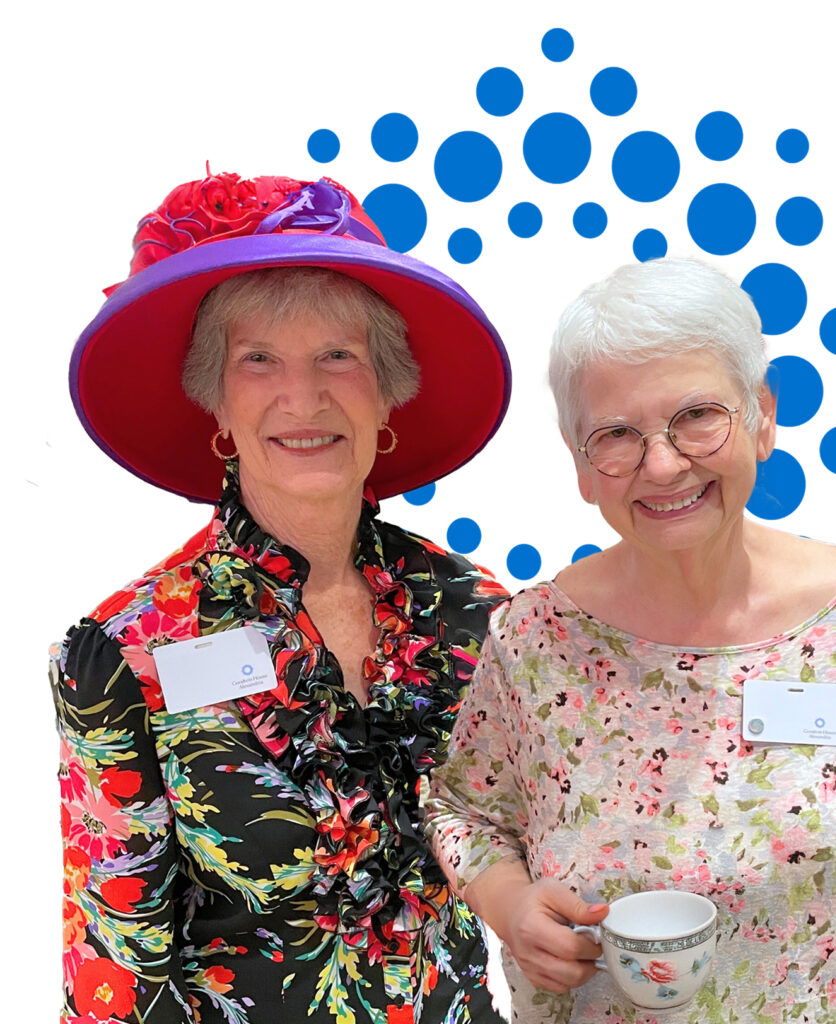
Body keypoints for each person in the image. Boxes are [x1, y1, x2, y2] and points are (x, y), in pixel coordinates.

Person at [426, 258, 836, 1023]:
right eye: (616, 434)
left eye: (697, 416)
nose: (663, 464)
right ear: (580, 465)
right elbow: (462, 809)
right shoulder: (533, 640)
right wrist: (508, 905)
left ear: (762, 416)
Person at [53, 171, 513, 1023]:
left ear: (387, 398)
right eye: (258, 359)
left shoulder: (479, 613)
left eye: (338, 355)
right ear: (218, 408)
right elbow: (115, 967)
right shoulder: (130, 648)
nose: (303, 396)